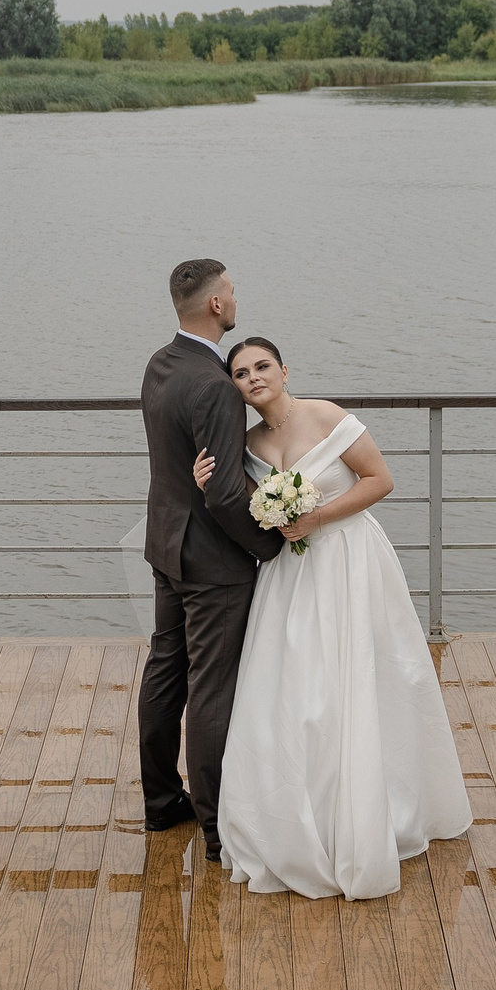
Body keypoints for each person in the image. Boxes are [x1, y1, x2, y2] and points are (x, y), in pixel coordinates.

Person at [191, 335, 472, 899]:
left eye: (262, 366)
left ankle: (376, 809)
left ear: (285, 369)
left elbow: (380, 481)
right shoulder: (246, 442)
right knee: (294, 690)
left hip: (350, 561)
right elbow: (258, 509)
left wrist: (316, 518)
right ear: (236, 389)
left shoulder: (328, 416)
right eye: (241, 374)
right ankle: (304, 816)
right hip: (292, 576)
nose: (254, 378)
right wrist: (213, 488)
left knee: (366, 678)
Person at [137, 258, 282, 863]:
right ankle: (218, 827)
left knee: (166, 669)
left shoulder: (161, 364)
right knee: (212, 689)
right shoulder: (218, 388)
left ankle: (161, 801)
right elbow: (223, 494)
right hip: (212, 563)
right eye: (232, 290)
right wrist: (270, 546)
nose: (235, 296)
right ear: (218, 306)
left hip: (165, 544)